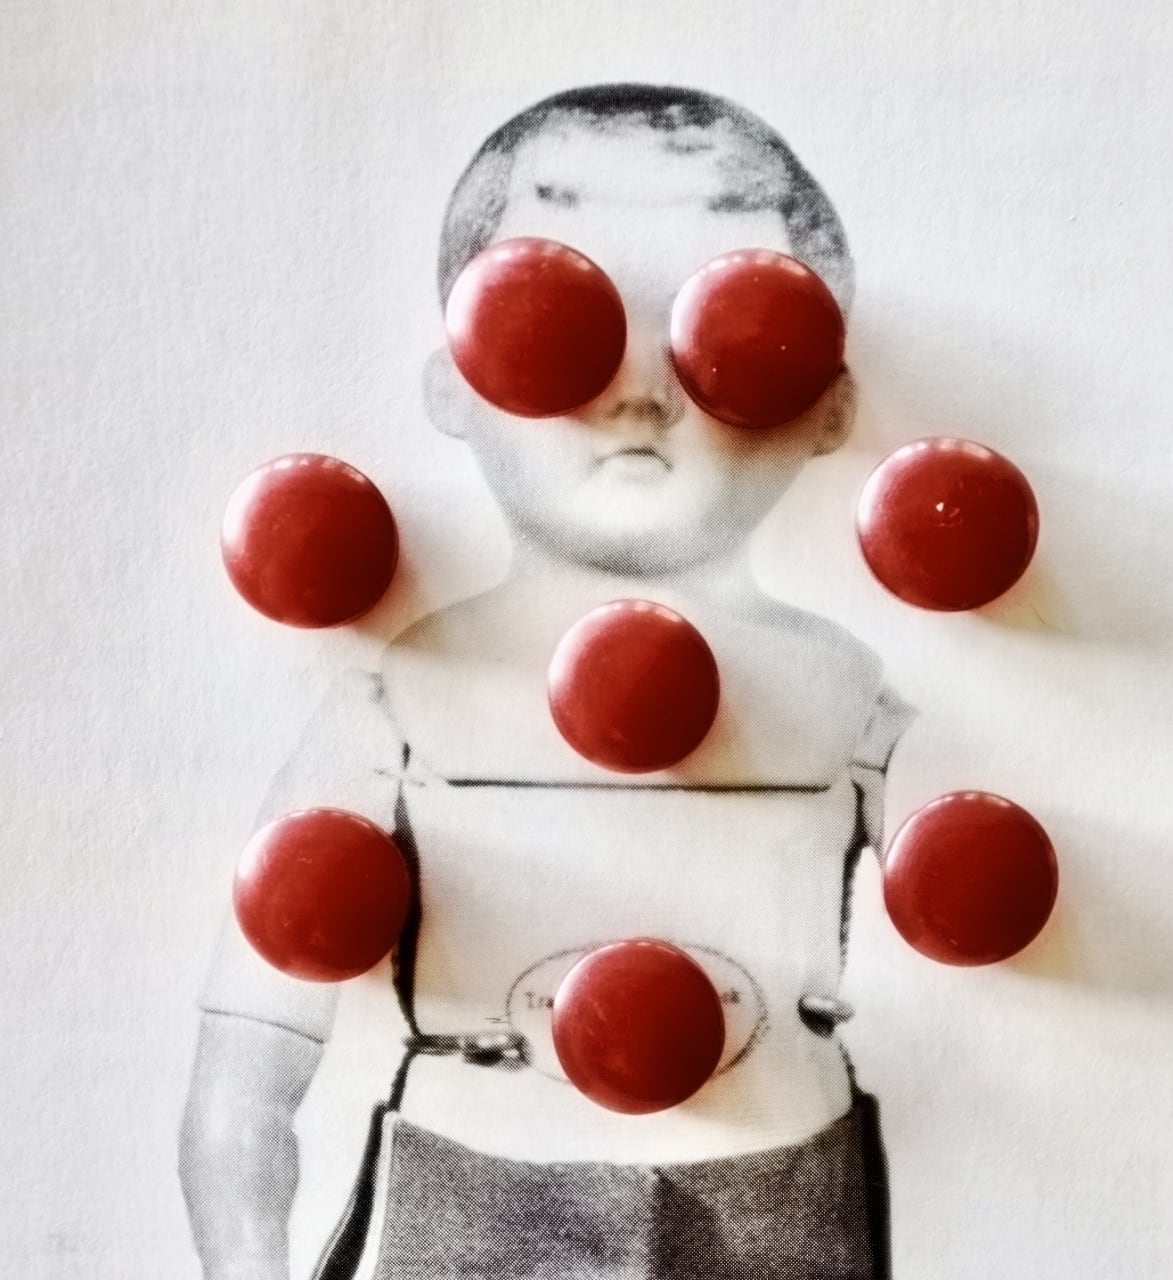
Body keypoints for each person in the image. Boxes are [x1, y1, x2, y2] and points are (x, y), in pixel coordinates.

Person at [180, 83, 914, 1280]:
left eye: (724, 330)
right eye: (552, 322)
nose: (640, 390)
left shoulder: (851, 700)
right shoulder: (399, 706)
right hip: (471, 1186)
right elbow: (245, 1076)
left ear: (830, 405)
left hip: (782, 1188)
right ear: (450, 386)